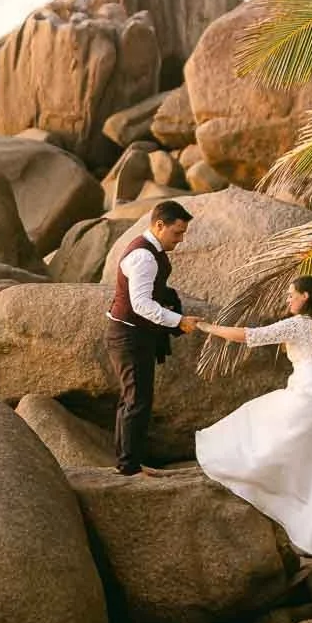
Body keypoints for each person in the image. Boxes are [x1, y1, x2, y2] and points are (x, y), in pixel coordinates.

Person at [193, 275, 312, 561]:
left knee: (258, 420)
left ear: (305, 297)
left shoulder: (298, 325)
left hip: (310, 393)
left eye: (292, 294)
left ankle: (283, 502)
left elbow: (250, 336)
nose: (288, 299)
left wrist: (207, 327)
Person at [105, 200, 200, 476]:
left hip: (133, 333)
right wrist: (178, 321)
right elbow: (141, 305)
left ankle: (127, 461)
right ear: (159, 225)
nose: (180, 240)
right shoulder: (143, 257)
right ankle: (128, 466)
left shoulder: (151, 251)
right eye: (177, 233)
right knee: (136, 400)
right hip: (127, 335)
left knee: (133, 398)